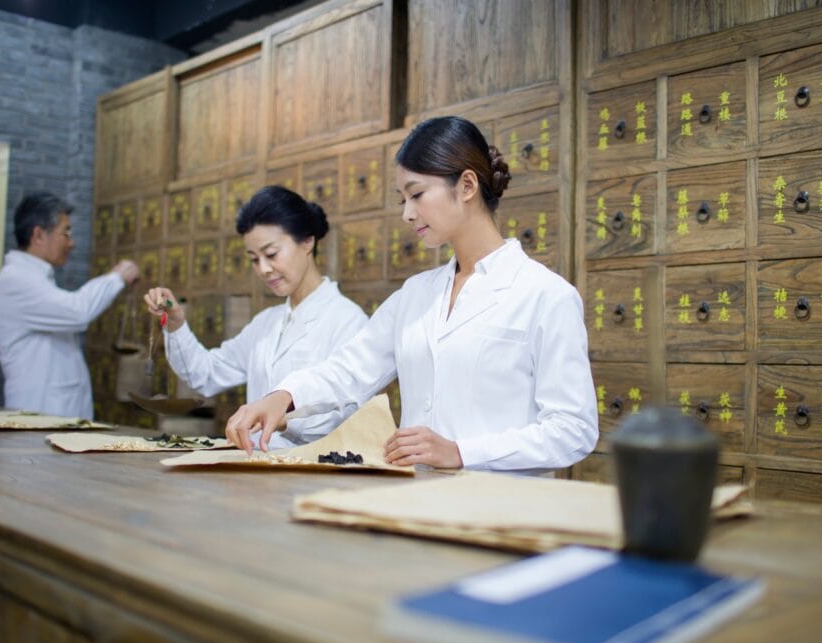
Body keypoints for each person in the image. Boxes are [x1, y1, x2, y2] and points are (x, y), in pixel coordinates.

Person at [225, 117, 599, 474]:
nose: (407, 213)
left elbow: (573, 430)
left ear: (467, 186)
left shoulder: (545, 295)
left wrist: (460, 452)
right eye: (402, 199)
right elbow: (350, 368)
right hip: (414, 495)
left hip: (500, 506)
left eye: (417, 194)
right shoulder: (417, 295)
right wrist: (284, 395)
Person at [144, 186, 367, 449]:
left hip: (313, 475)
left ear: (307, 241)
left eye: (271, 254)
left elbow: (343, 415)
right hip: (256, 469)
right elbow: (204, 375)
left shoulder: (349, 321)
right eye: (254, 259)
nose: (263, 269)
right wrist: (176, 324)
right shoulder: (266, 323)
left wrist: (279, 416)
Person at [0, 192, 139, 419]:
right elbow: (77, 312)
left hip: (52, 413)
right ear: (39, 235)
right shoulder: (16, 280)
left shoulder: (36, 279)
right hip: (38, 413)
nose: (71, 243)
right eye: (66, 233)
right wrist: (117, 276)